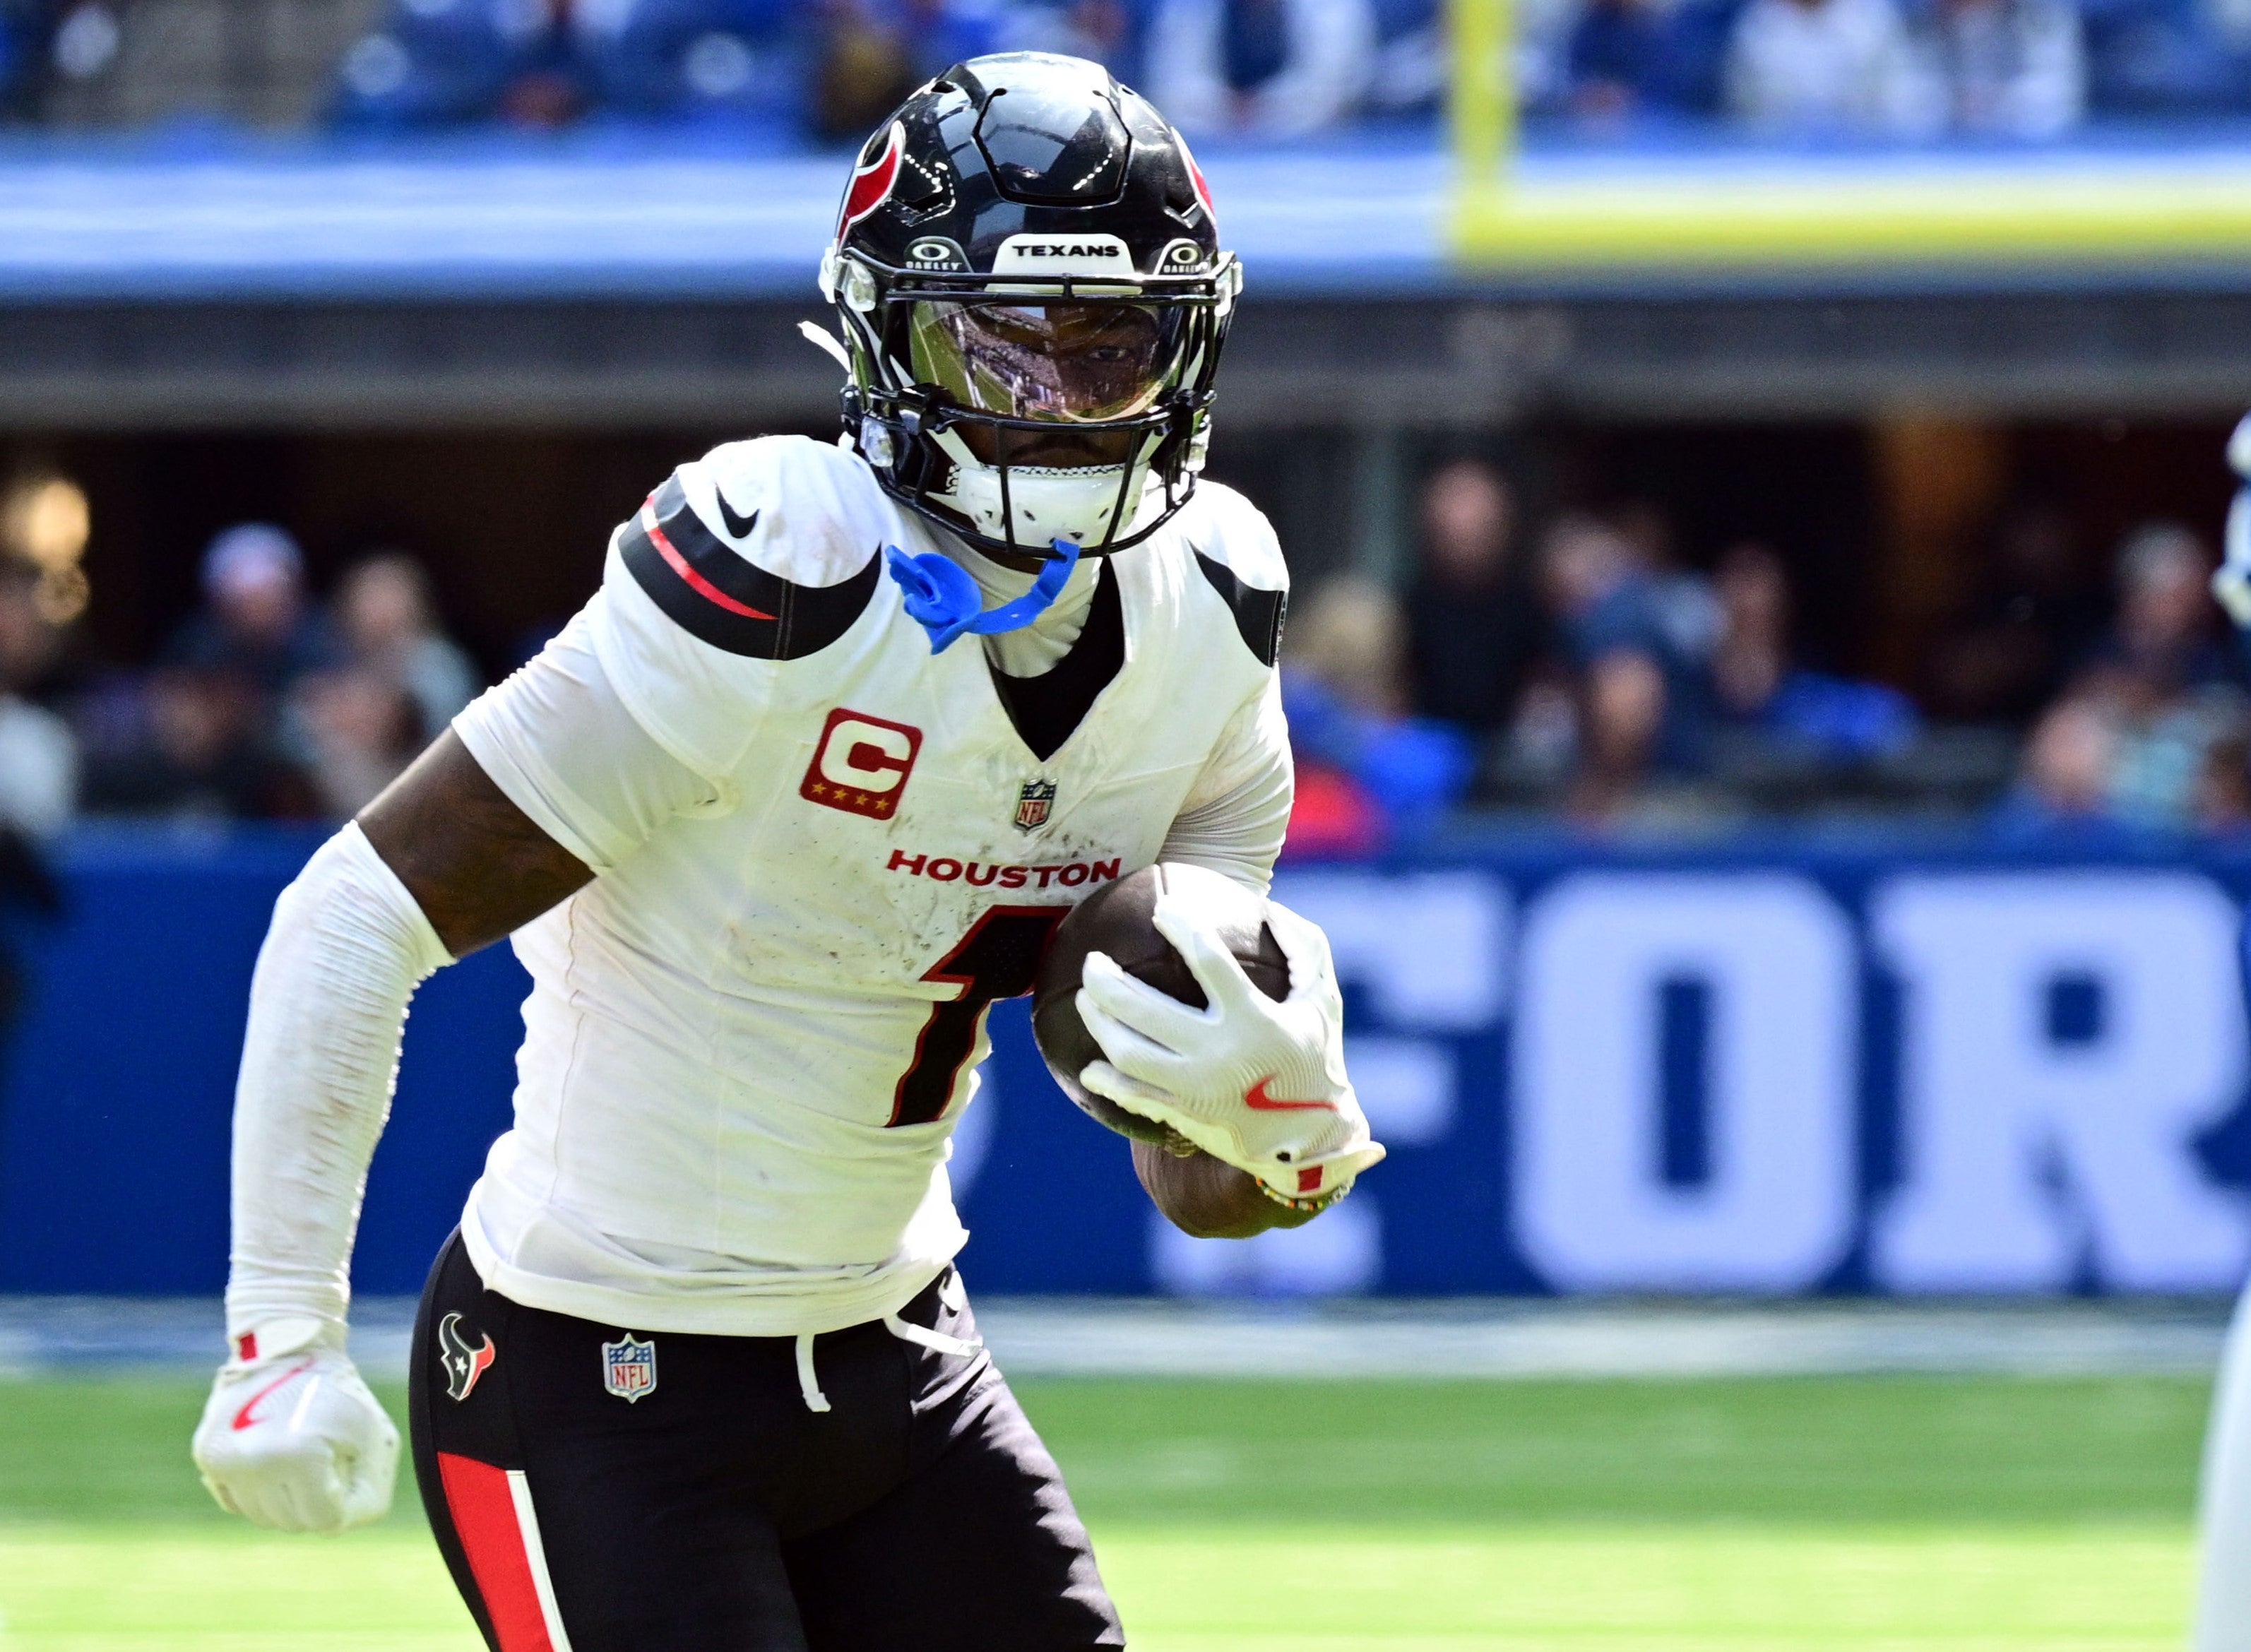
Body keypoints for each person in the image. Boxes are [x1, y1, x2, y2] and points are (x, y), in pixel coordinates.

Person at [189, 52, 1383, 1652]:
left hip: (904, 1356)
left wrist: (1280, 1130)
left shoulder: (1211, 612)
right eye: (1005, 344)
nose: (1061, 397)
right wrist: (279, 1328)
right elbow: (357, 910)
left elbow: (1196, 1172)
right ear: (889, 334)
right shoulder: (788, 570)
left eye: (1113, 345)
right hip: (595, 1376)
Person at [1403, 458, 1540, 737]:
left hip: (1510, 748)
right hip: (1426, 746)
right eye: (1452, 534)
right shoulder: (1408, 609)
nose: (1464, 545)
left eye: (1478, 531)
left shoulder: (1532, 609)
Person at [162, 523, 338, 705]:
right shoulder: (196, 648)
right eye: (246, 603)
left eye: (270, 599)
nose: (259, 613)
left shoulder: (324, 641)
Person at [335, 554, 482, 743]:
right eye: (367, 596)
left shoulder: (441, 664)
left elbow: (444, 730)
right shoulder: (345, 663)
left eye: (386, 594)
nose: (374, 608)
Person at [1724, 0, 1925, 132]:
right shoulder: (1761, 23)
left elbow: (1898, 96)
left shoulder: (1872, 18)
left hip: (1866, 151)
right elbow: (1745, 106)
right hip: (1777, 156)